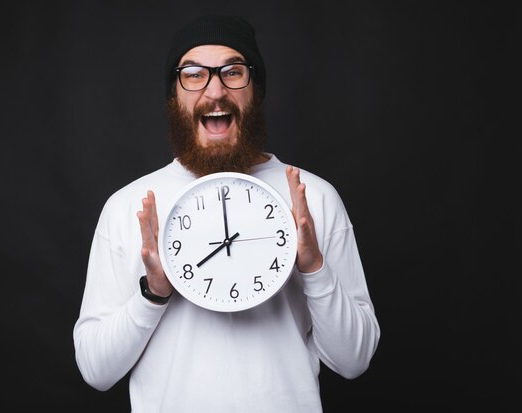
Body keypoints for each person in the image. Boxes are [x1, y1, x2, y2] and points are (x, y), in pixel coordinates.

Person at [73, 14, 380, 413]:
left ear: (256, 90)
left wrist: (314, 267)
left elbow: (354, 361)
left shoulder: (313, 198)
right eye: (194, 74)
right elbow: (96, 371)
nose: (215, 90)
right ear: (174, 96)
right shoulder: (127, 207)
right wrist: (153, 292)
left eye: (233, 72)